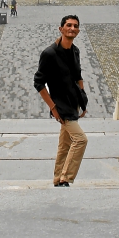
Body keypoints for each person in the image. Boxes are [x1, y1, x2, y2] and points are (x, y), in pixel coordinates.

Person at [33, 15, 88, 187]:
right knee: (80, 140)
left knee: (65, 145)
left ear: (78, 31)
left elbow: (78, 76)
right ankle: (66, 177)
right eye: (69, 25)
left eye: (75, 26)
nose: (72, 28)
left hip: (73, 103)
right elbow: (39, 82)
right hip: (61, 106)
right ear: (61, 28)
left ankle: (58, 178)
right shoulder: (49, 53)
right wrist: (53, 107)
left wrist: (83, 99)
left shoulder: (75, 51)